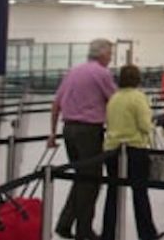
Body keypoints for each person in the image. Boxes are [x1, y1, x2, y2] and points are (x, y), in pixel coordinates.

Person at [50, 39, 117, 240]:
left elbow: (56, 103)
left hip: (68, 129)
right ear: (103, 54)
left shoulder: (73, 71)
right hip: (88, 131)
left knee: (81, 177)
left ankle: (65, 222)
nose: (111, 58)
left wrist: (52, 132)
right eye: (110, 54)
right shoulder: (101, 73)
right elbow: (115, 100)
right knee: (91, 180)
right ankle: (84, 230)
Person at [101, 65, 163, 240]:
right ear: (138, 79)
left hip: (112, 149)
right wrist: (153, 124)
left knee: (112, 194)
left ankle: (108, 233)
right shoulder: (138, 97)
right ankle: (147, 233)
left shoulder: (114, 97)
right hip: (135, 149)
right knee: (140, 193)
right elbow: (144, 125)